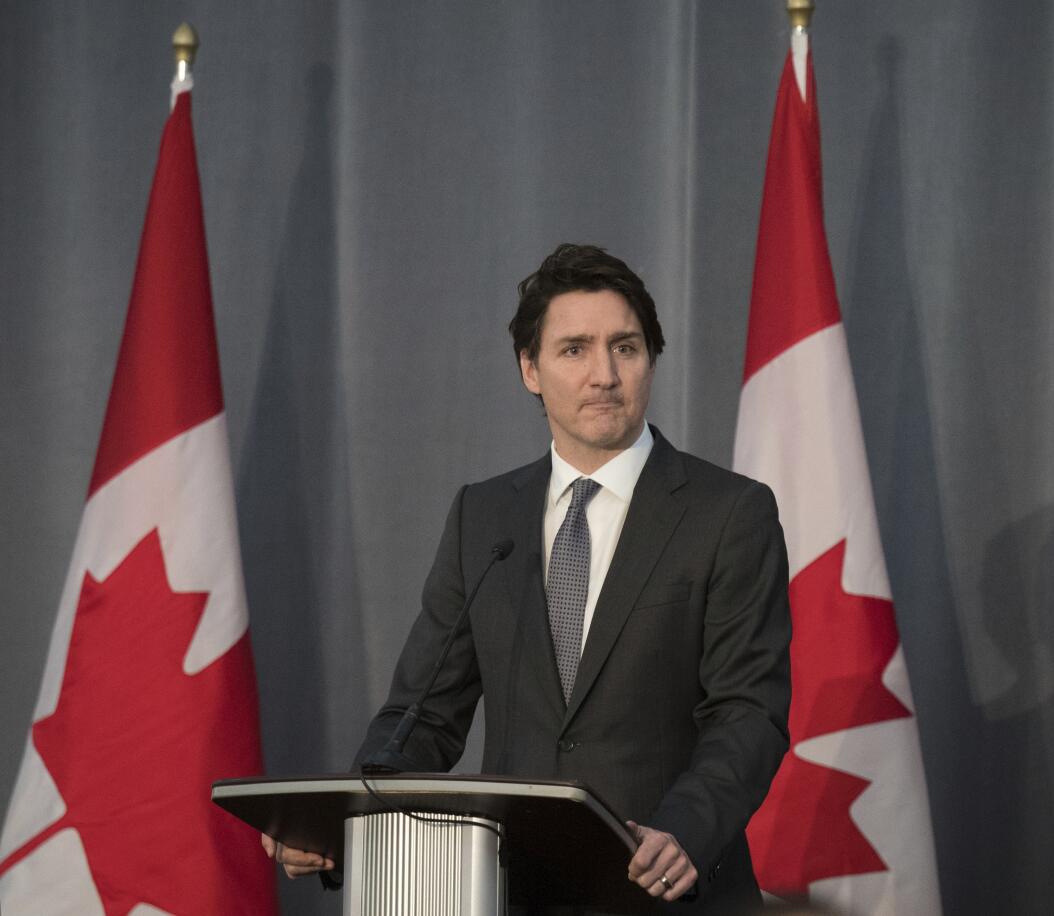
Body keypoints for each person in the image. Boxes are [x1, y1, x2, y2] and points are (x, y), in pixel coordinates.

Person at [263, 243, 792, 911]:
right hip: (515, 893)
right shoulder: (483, 517)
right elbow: (423, 713)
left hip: (667, 890)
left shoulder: (729, 514)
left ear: (650, 360)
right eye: (574, 349)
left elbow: (748, 712)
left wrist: (685, 829)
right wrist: (348, 820)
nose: (604, 373)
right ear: (530, 370)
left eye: (625, 347)